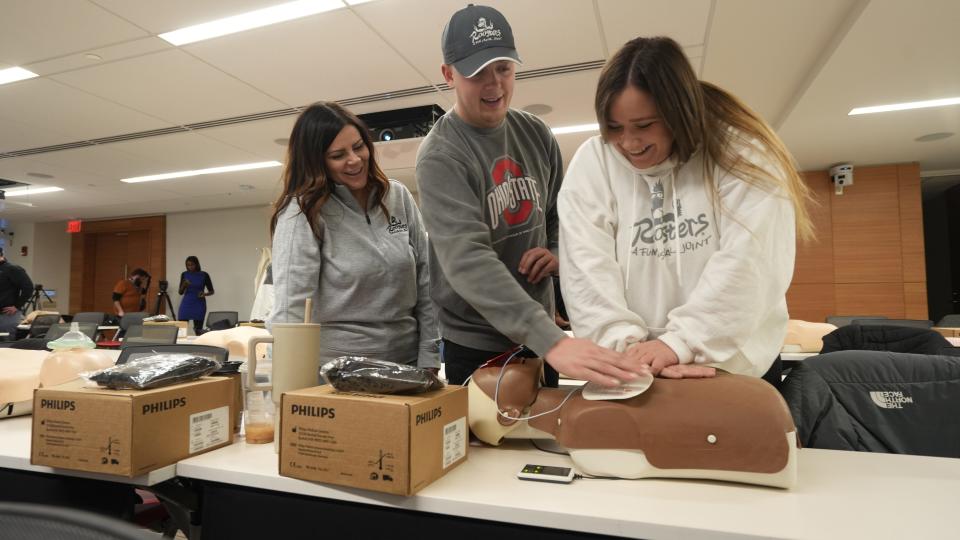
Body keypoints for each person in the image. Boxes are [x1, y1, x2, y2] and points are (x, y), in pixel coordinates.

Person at [558, 36, 815, 384]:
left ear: (678, 112)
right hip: (631, 369)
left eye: (645, 125)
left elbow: (749, 263)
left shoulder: (741, 152)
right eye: (615, 128)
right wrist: (628, 353)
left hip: (729, 363)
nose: (629, 143)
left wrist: (682, 343)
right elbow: (586, 269)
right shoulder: (595, 161)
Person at [415, 4, 634, 387]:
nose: (494, 85)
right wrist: (551, 340)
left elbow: (559, 216)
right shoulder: (441, 155)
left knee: (544, 440)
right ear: (449, 75)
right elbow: (468, 260)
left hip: (540, 333)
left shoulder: (535, 133)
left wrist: (556, 252)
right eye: (477, 73)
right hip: (478, 341)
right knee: (490, 446)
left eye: (503, 68)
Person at [269, 102, 439, 371]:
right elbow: (292, 308)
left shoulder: (397, 197)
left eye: (359, 146)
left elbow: (428, 281)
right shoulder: (302, 212)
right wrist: (288, 386)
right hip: (338, 374)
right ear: (317, 161)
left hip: (407, 365)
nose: (355, 160)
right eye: (338, 155)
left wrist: (430, 355)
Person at [0, 247, 33, 337]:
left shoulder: (13, 269)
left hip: (7, 314)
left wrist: (17, 306)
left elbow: (28, 288)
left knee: (5, 343)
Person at [178, 255, 214, 333]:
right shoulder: (184, 274)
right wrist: (184, 284)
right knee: (181, 330)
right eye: (188, 265)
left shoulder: (204, 275)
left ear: (196, 264)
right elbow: (180, 292)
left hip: (199, 303)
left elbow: (212, 291)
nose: (190, 267)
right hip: (186, 303)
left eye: (192, 265)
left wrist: (205, 294)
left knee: (198, 330)